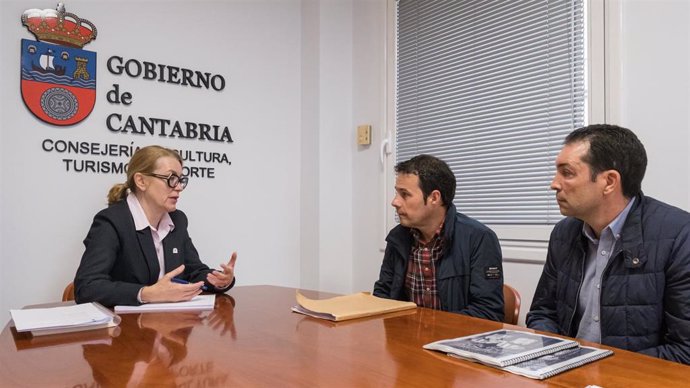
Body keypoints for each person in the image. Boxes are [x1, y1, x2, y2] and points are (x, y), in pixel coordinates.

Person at [526, 124, 690, 365]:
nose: (554, 184)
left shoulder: (679, 235)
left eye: (567, 173)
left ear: (609, 182)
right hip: (566, 373)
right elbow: (543, 313)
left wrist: (598, 368)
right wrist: (558, 358)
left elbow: (684, 350)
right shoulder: (564, 233)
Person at [75, 145, 237, 307]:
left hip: (170, 325)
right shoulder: (112, 221)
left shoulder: (177, 220)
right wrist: (146, 293)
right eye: (171, 179)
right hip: (126, 327)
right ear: (141, 181)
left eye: (180, 179)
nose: (179, 187)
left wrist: (219, 279)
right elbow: (87, 287)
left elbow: (193, 271)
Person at [373, 154, 504, 321]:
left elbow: (488, 312)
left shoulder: (479, 238)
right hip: (403, 339)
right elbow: (382, 295)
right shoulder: (398, 237)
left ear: (434, 197)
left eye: (404, 194)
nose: (395, 202)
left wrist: (429, 326)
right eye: (397, 193)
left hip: (455, 341)